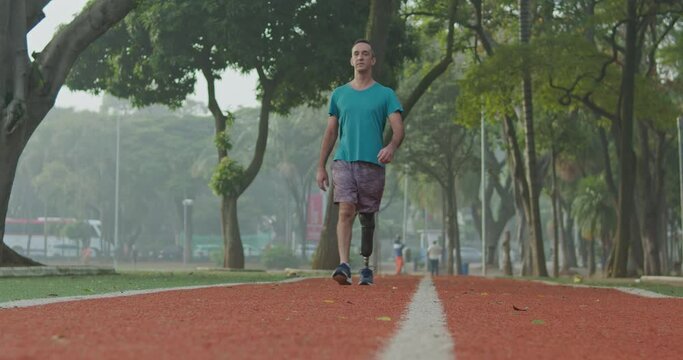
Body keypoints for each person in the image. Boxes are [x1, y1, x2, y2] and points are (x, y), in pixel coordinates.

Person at [316, 39, 404, 286]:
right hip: (343, 161)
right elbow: (331, 132)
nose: (361, 57)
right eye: (356, 54)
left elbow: (398, 128)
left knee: (367, 215)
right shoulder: (339, 94)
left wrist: (391, 146)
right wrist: (321, 165)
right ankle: (344, 265)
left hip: (372, 164)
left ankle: (366, 266)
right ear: (351, 60)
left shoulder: (385, 94)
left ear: (373, 60)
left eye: (366, 54)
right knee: (345, 209)